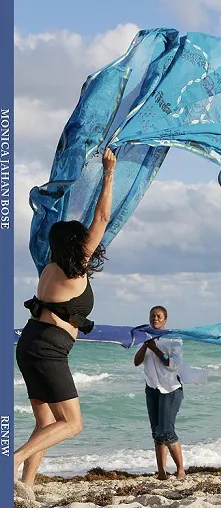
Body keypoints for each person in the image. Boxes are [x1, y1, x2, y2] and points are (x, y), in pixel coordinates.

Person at [14, 148, 117, 490]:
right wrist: (108, 172)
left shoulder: (50, 267)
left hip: (29, 344)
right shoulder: (76, 269)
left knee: (46, 422)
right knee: (72, 424)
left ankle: (25, 486)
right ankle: (11, 462)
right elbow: (102, 217)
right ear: (79, 244)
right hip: (47, 350)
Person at [134, 306, 186, 479]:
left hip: (170, 389)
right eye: (152, 316)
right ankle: (162, 472)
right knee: (156, 432)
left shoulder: (174, 340)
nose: (155, 318)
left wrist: (155, 348)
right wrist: (146, 345)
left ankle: (180, 471)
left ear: (165, 320)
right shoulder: (146, 339)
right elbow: (136, 361)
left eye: (158, 316)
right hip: (152, 389)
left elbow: (172, 365)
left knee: (166, 431)